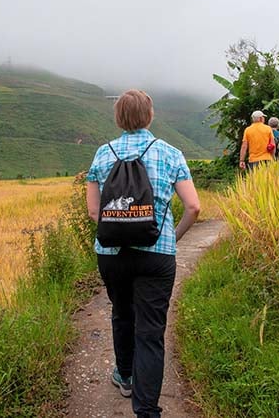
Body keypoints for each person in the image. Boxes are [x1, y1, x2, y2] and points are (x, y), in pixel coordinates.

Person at [86, 89, 201, 418]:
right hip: (157, 255)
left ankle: (124, 376)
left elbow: (95, 213)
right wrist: (172, 237)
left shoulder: (102, 154)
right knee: (150, 331)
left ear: (118, 118)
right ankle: (147, 410)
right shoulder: (170, 153)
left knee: (122, 313)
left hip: (110, 253)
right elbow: (193, 206)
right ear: (150, 116)